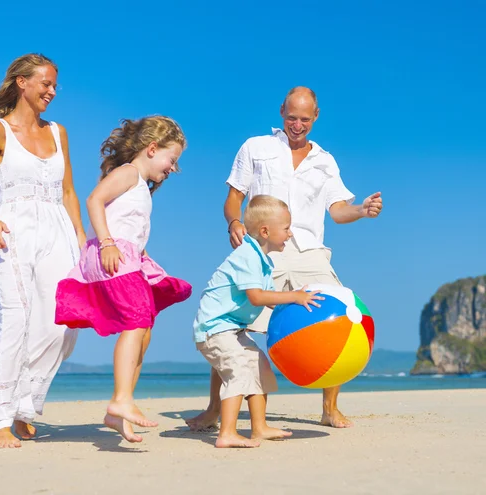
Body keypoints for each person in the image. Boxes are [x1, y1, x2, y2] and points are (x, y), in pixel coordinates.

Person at [187, 86, 383, 431]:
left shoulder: (325, 160)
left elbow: (337, 211)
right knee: (234, 326)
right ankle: (214, 408)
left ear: (316, 117)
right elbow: (233, 198)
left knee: (338, 316)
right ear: (281, 111)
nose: (297, 125)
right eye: (291, 117)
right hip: (265, 250)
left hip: (309, 250)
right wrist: (234, 222)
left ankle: (329, 408)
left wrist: (362, 210)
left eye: (304, 119)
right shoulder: (256, 147)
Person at [0, 54, 86, 448]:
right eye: (45, 84)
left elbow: (69, 191)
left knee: (62, 322)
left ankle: (22, 402)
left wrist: (82, 240)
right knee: (15, 320)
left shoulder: (58, 133)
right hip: (13, 228)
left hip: (58, 229)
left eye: (55, 86)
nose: (51, 92)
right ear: (22, 82)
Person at [55, 116, 192, 443]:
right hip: (109, 252)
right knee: (135, 321)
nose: (173, 168)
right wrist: (107, 242)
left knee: (144, 328)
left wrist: (140, 255)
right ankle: (121, 399)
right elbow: (94, 200)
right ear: (152, 148)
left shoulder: (142, 187)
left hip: (127, 255)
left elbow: (129, 225)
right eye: (171, 160)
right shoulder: (129, 173)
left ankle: (119, 410)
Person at [193, 195, 323, 448]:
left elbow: (270, 299)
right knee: (238, 370)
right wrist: (294, 295)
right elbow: (256, 297)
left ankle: (259, 427)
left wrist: (299, 305)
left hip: (232, 328)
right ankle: (227, 433)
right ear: (265, 231)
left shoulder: (261, 260)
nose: (290, 233)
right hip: (215, 329)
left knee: (259, 366)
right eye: (286, 228)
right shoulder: (247, 256)